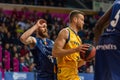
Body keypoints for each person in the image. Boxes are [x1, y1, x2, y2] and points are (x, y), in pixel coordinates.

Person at [52, 10, 90, 80]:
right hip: (64, 73)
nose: (83, 22)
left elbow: (77, 64)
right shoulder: (65, 32)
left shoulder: (79, 39)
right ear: (75, 19)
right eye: (81, 20)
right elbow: (55, 53)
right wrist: (75, 49)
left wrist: (85, 59)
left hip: (74, 73)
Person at [94, 0, 120, 80]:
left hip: (102, 43)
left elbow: (99, 24)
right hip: (117, 40)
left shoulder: (117, 2)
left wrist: (97, 47)